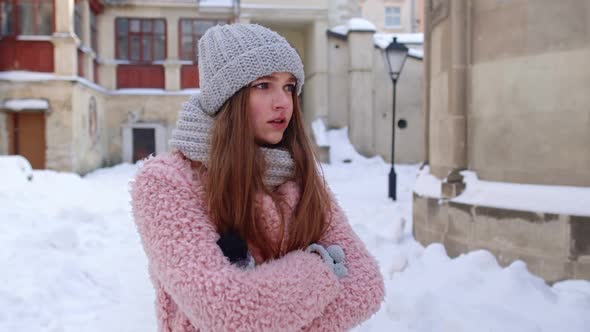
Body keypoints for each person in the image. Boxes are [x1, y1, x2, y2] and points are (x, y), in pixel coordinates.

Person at [131, 23, 384, 332]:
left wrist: (264, 302)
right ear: (228, 97)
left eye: (289, 86)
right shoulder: (167, 183)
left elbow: (366, 287)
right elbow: (228, 315)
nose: (283, 102)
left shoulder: (299, 176)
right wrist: (319, 268)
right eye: (264, 85)